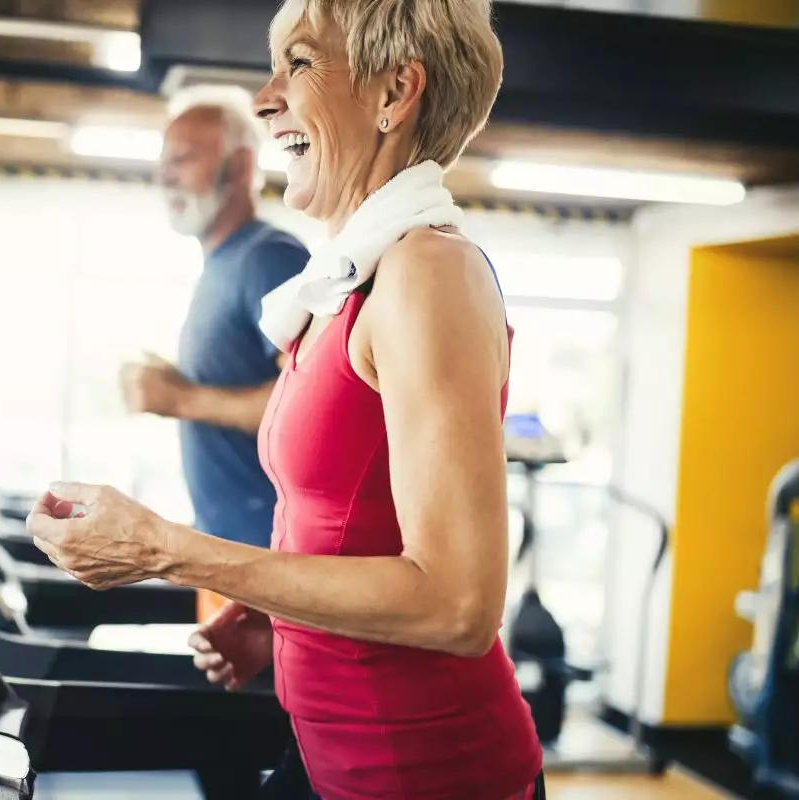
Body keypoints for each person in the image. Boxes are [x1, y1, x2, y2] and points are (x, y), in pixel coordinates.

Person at [29, 0, 545, 798]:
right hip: (329, 754)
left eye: (299, 64)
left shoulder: (426, 273)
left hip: (425, 775)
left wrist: (165, 549)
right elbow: (354, 519)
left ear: (393, 93)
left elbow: (458, 604)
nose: (266, 98)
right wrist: (276, 617)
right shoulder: (347, 285)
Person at [119, 89, 309, 551]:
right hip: (227, 553)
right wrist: (176, 382)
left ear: (242, 166)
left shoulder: (269, 259)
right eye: (164, 161)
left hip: (268, 562)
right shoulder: (223, 264)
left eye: (182, 158)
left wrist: (181, 398)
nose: (165, 176)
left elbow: (314, 405)